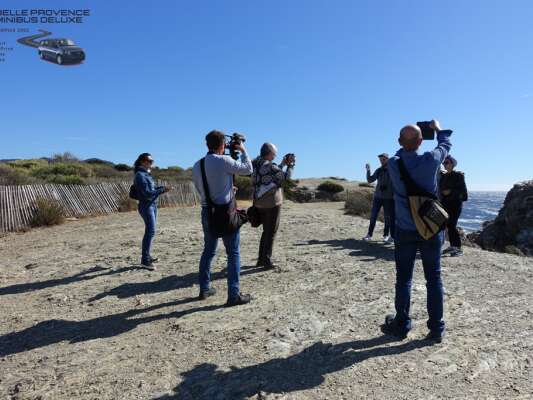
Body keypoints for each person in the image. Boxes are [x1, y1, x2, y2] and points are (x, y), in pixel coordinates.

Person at [384, 120, 452, 343]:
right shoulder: (431, 160)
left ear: (399, 142)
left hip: (404, 228)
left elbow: (398, 153)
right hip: (431, 228)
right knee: (434, 278)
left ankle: (401, 324)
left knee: (403, 278)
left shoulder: (394, 164)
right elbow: (445, 144)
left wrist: (406, 143)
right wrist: (438, 129)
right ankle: (436, 329)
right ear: (421, 141)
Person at [192, 130, 254, 307]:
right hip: (225, 212)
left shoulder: (198, 165)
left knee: (208, 251)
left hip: (207, 211)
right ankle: (233, 295)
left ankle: (204, 288)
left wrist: (226, 190)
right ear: (222, 145)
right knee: (233, 254)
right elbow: (248, 169)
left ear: (207, 144)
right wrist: (243, 150)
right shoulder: (224, 161)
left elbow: (202, 188)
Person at [252, 143, 295, 270]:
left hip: (259, 202)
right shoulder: (270, 165)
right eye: (274, 153)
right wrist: (291, 165)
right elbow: (285, 177)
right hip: (271, 203)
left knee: (266, 231)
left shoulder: (257, 163)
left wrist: (282, 164)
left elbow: (272, 174)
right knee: (271, 232)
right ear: (270, 153)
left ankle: (261, 259)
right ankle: (266, 260)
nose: (275, 155)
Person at [133, 153, 170, 270]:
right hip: (147, 205)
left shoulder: (146, 175)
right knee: (150, 231)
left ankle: (147, 256)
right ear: (142, 162)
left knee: (151, 232)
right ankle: (145, 260)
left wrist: (162, 189)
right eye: (149, 161)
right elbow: (147, 194)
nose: (151, 163)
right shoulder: (140, 175)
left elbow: (151, 190)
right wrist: (163, 190)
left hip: (152, 205)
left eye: (152, 161)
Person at [440, 156, 468, 257]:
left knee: (451, 225)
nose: (444, 165)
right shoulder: (443, 176)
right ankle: (452, 246)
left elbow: (464, 194)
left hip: (455, 204)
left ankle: (457, 248)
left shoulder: (458, 176)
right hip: (445, 204)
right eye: (444, 163)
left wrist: (450, 192)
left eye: (447, 163)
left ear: (452, 164)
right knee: (446, 225)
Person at [363, 153, 395, 243]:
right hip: (378, 197)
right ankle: (369, 235)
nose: (382, 161)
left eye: (383, 159)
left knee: (388, 218)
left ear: (388, 159)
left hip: (389, 198)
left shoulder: (393, 170)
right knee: (373, 216)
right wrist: (368, 170)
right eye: (380, 160)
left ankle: (386, 236)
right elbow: (370, 180)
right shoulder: (379, 170)